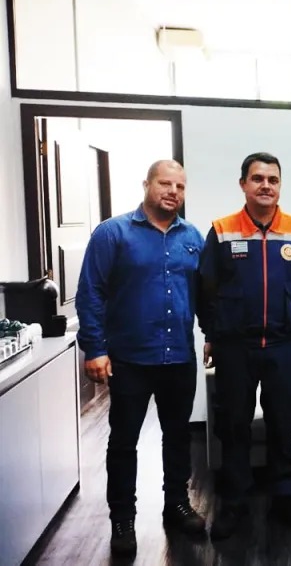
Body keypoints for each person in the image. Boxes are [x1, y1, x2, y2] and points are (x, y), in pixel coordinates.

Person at [75, 160, 206, 557]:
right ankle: (122, 517)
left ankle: (176, 504)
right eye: (165, 183)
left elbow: (204, 293)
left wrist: (213, 334)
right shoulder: (112, 233)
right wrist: (95, 348)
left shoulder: (192, 237)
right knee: (124, 441)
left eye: (180, 186)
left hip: (178, 356)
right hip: (130, 358)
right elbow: (91, 292)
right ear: (147, 184)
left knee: (178, 437)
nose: (173, 192)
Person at [198, 152, 291, 539]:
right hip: (235, 346)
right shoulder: (222, 229)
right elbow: (207, 287)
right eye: (258, 178)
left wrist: (278, 304)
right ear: (243, 184)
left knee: (283, 422)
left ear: (279, 185)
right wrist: (213, 333)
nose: (266, 185)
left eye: (273, 179)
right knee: (234, 425)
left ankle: (286, 497)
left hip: (282, 344)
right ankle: (235, 502)